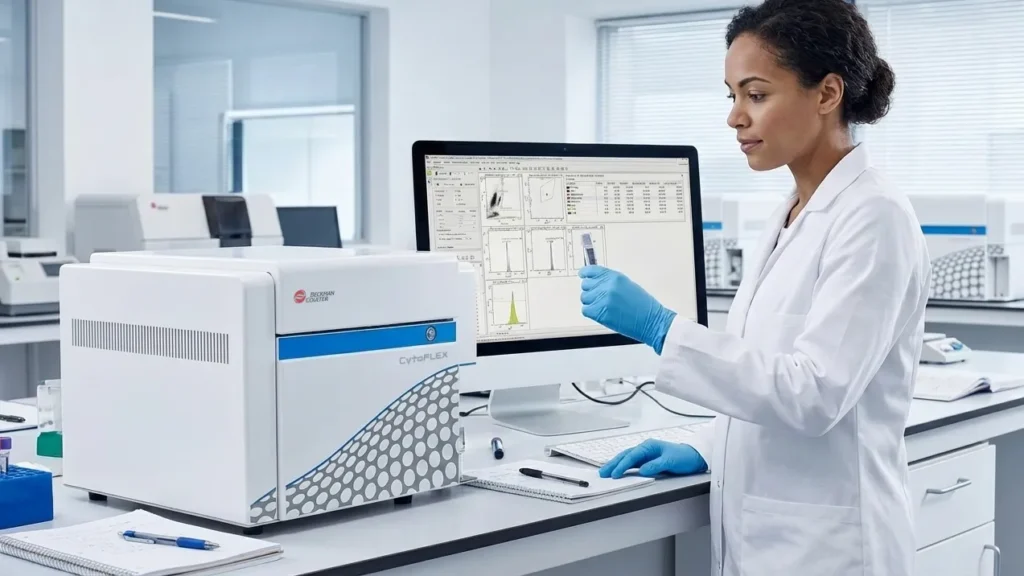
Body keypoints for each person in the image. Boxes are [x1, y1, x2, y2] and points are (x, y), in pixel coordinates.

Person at [578, 1, 930, 575]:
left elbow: (813, 394)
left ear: (827, 94)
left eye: (757, 95)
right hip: (775, 536)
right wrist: (706, 446)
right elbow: (765, 373)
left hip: (831, 548)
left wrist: (660, 328)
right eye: (731, 96)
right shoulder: (793, 211)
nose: (735, 118)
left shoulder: (873, 216)